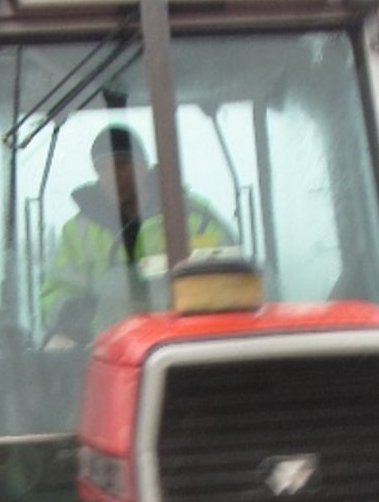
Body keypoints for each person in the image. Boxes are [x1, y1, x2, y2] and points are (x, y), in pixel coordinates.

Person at [38, 124, 233, 349]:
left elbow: (231, 277)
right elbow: (58, 291)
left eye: (124, 165)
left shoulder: (196, 219)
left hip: (189, 345)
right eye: (104, 168)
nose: (115, 175)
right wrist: (73, 320)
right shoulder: (77, 231)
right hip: (110, 353)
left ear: (144, 167)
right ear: (98, 175)